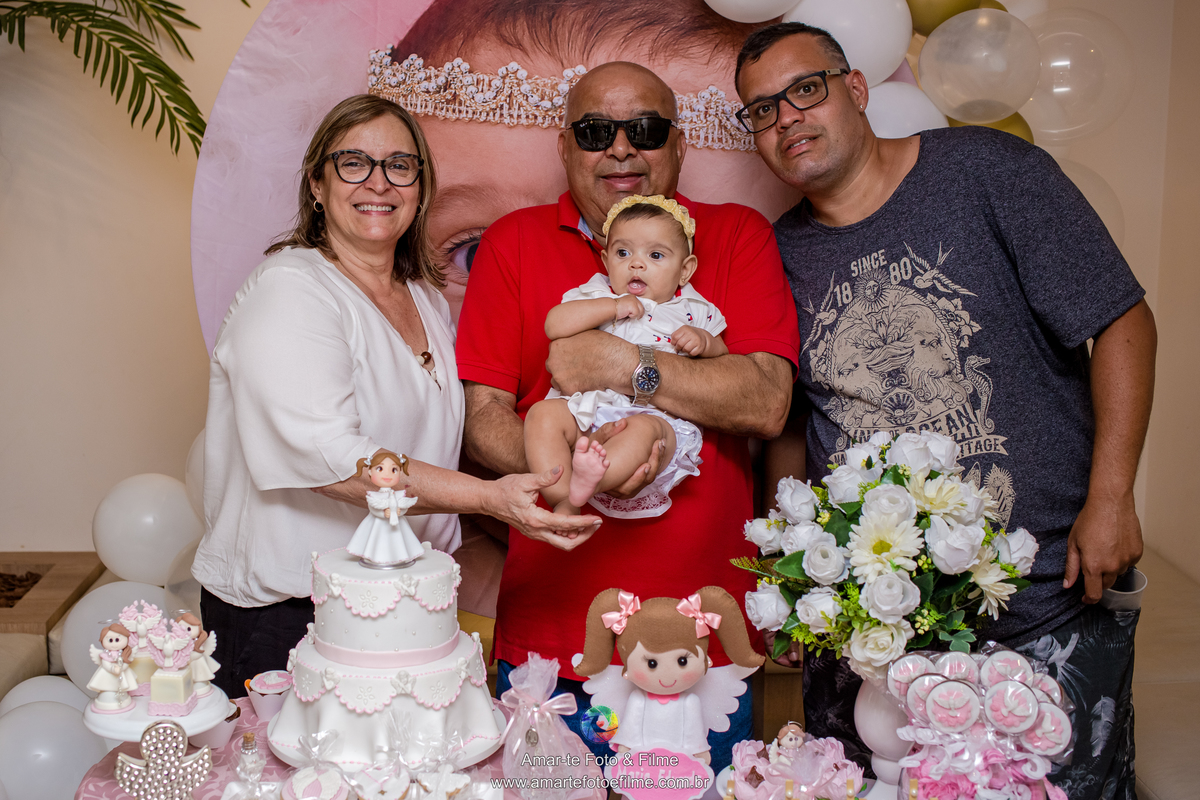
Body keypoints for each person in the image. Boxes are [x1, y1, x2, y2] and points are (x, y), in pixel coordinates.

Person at [734, 22, 1157, 800]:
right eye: (761, 110)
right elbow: (790, 422)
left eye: (806, 89)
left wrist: (1112, 495)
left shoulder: (990, 173)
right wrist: (786, 578)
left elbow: (1121, 319)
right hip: (868, 631)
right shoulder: (779, 253)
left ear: (856, 89)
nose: (787, 116)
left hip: (1043, 598)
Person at [455, 60, 800, 773]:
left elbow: (766, 401)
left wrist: (620, 369)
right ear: (564, 147)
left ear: (678, 145)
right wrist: (576, 463)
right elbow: (482, 416)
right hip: (551, 636)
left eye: (643, 129)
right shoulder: (514, 242)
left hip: (702, 639)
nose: (619, 148)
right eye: (594, 131)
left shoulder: (734, 236)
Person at [192, 94, 599, 697]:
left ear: (419, 186)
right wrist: (490, 498)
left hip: (403, 604)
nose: (378, 183)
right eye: (353, 162)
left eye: (399, 166)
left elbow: (436, 434)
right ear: (317, 183)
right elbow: (332, 460)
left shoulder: (424, 297)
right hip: (291, 613)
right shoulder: (291, 289)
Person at [524, 196, 727, 519]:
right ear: (606, 260)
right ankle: (564, 497)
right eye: (623, 253)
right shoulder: (597, 294)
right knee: (542, 415)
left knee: (643, 431)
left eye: (656, 255)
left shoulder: (692, 309)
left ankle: (591, 480)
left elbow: (723, 362)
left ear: (685, 270)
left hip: (653, 414)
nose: (636, 263)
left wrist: (704, 341)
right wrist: (612, 307)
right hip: (587, 410)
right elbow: (554, 324)